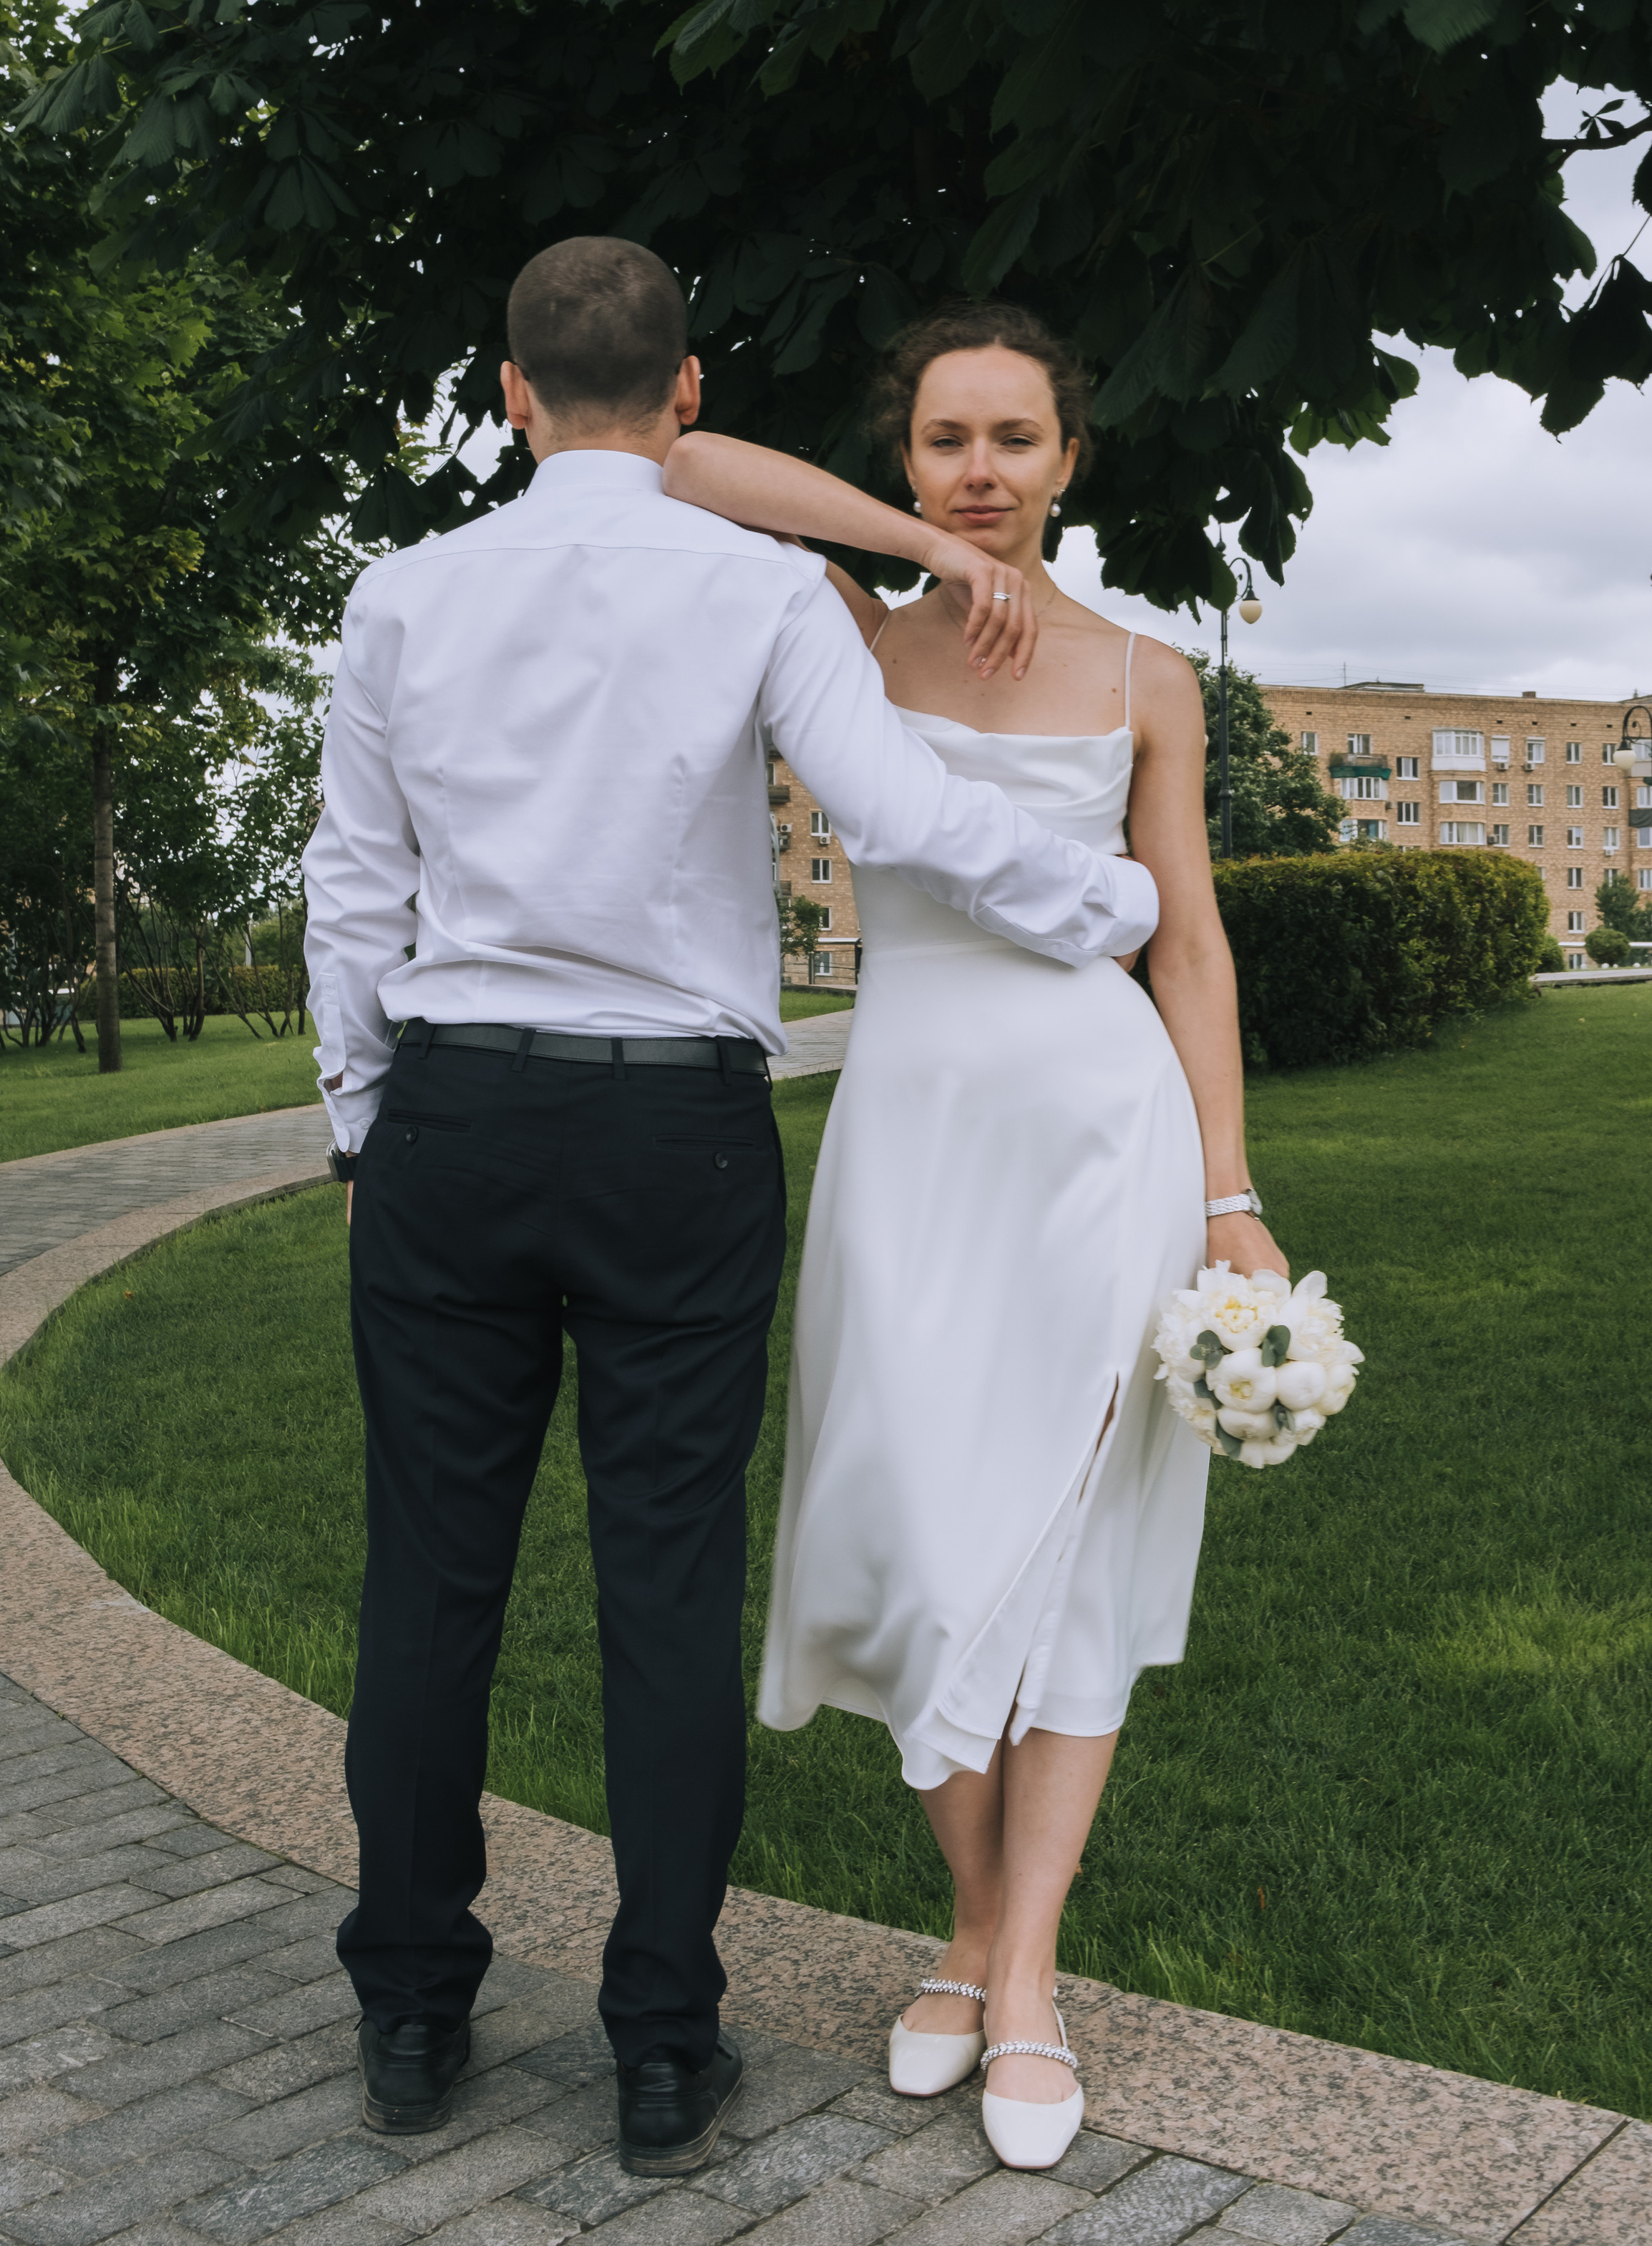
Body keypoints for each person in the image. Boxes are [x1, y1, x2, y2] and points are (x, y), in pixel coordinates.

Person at [300, 243, 1158, 2177]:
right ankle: (663, 2045)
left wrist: (369, 1126)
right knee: (664, 1586)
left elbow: (355, 890)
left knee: (429, 1581)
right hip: (675, 1134)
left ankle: (415, 2007)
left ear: (511, 394)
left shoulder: (402, 597)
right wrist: (1109, 909)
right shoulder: (758, 589)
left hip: (450, 1115)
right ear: (686, 394)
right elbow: (910, 817)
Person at [661, 300, 1287, 2171]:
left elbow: (1186, 943)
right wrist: (921, 556)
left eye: (1015, 442)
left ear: (1073, 460)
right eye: (949, 442)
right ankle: (977, 1923)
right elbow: (682, 463)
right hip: (911, 1135)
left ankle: (1018, 1973)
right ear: (910, 459)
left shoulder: (1149, 677)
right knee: (916, 1536)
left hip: (1104, 1141)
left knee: (1063, 1560)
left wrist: (1233, 1196)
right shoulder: (841, 636)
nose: (984, 472)